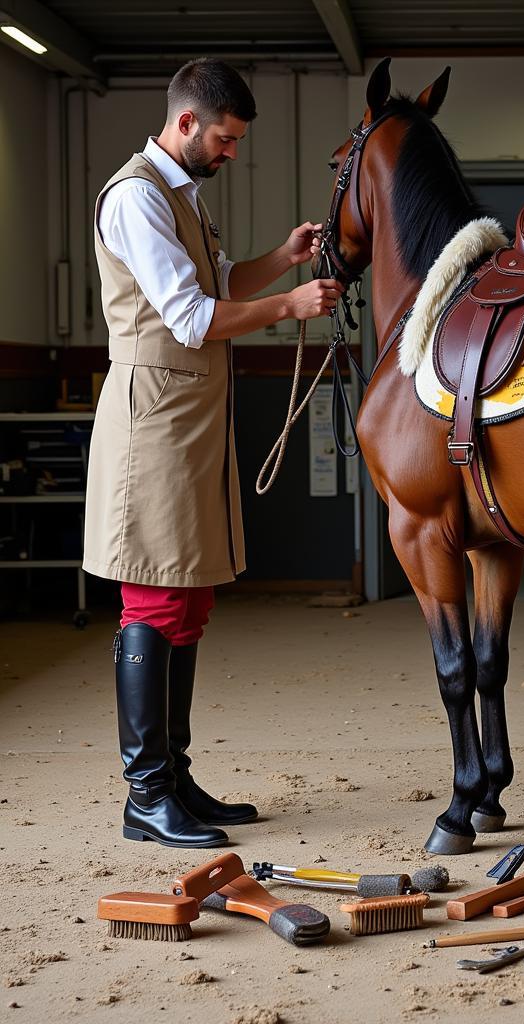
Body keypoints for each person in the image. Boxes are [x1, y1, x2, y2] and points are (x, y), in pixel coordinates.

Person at [84, 58, 338, 848]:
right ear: (187, 123)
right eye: (225, 139)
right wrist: (291, 306)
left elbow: (221, 280)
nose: (231, 152)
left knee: (188, 600)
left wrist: (283, 260)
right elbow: (193, 318)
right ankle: (145, 794)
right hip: (153, 419)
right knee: (154, 598)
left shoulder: (180, 197)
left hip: (190, 415)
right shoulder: (135, 196)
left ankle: (176, 776)